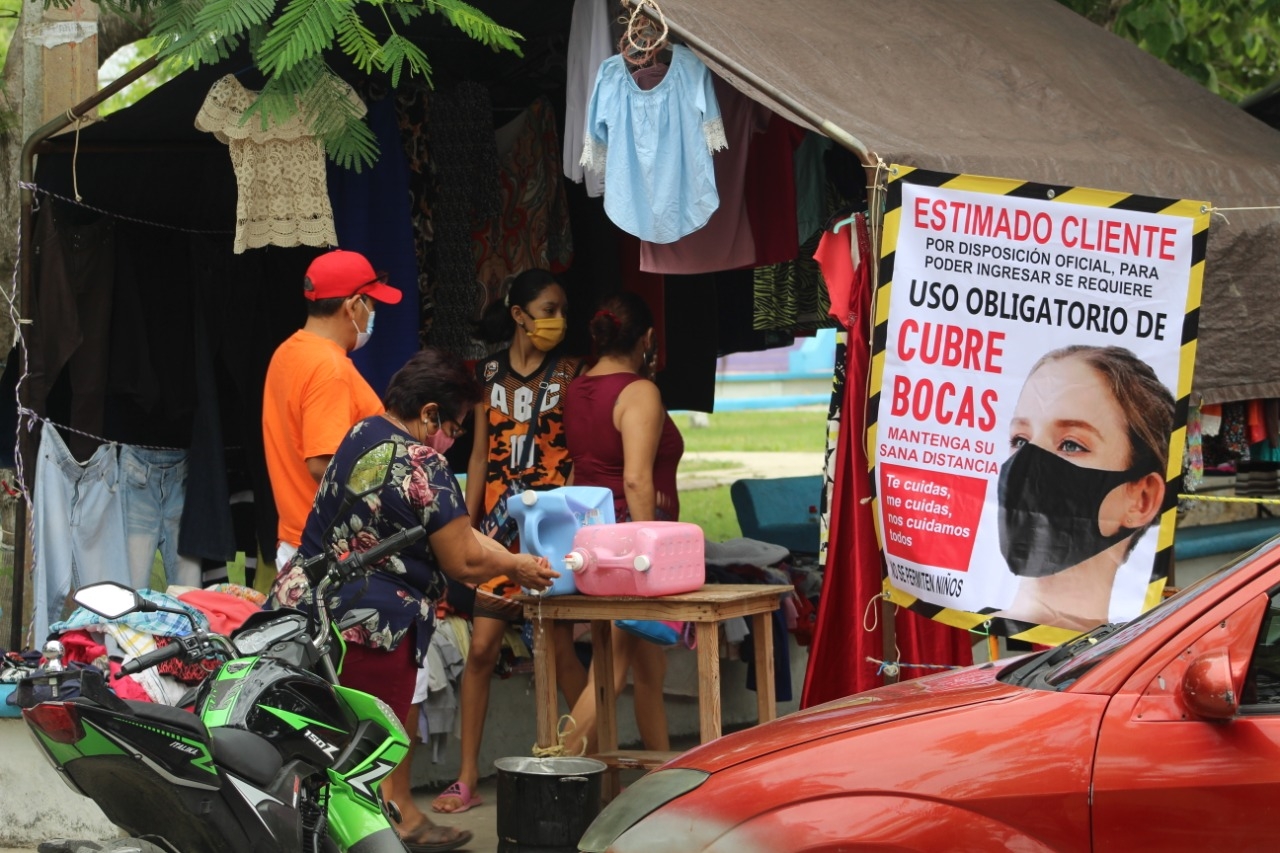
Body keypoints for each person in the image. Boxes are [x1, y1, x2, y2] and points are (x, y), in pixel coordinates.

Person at [270, 348, 560, 853]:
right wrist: (516, 567)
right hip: (372, 627)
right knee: (363, 754)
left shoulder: (362, 434)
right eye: (454, 424)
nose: (454, 436)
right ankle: (372, 833)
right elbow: (464, 561)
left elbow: (461, 534)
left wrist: (514, 558)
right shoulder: (423, 463)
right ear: (428, 414)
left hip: (311, 608)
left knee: (327, 745)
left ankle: (380, 822)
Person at [431, 269, 587, 814]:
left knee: (560, 649)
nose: (558, 320)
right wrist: (463, 529)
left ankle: (594, 760)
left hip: (551, 527)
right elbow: (476, 456)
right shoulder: (486, 373)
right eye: (548, 310)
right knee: (480, 648)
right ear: (519, 315)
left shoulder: (572, 372)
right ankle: (468, 777)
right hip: (496, 530)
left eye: (562, 309)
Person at [559, 291, 684, 755]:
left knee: (650, 672)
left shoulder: (578, 389)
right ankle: (550, 772)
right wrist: (648, 563)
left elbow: (579, 470)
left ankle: (665, 779)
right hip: (632, 551)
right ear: (647, 339)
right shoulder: (639, 391)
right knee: (608, 673)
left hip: (598, 539)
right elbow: (634, 478)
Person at [999, 344, 1173, 632]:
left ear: (1142, 499)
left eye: (1071, 444)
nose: (1027, 467)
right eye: (1020, 440)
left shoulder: (1135, 655)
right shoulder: (969, 628)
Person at [262, 248, 403, 573]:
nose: (371, 315)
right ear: (353, 306)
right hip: (332, 552)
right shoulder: (330, 369)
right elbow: (322, 463)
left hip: (301, 541)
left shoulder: (287, 353)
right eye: (372, 305)